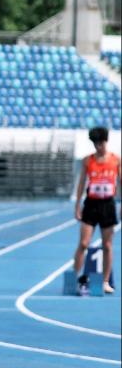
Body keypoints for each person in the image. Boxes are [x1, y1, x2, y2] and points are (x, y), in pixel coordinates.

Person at [72, 126, 120, 296]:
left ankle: (105, 282)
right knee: (83, 243)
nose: (98, 147)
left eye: (100, 143)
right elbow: (81, 184)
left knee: (107, 245)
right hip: (91, 204)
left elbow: (120, 183)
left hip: (108, 205)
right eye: (95, 144)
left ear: (106, 141)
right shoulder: (88, 160)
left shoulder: (116, 160)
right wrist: (78, 205)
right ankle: (74, 279)